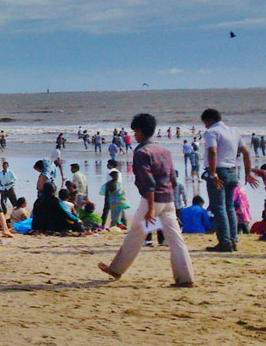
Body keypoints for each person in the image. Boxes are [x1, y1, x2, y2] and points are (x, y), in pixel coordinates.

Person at [99, 113, 195, 287]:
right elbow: (172, 179)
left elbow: (148, 182)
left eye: (135, 131)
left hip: (152, 201)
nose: (134, 135)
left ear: (141, 131)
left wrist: (150, 209)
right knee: (175, 239)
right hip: (168, 201)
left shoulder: (142, 152)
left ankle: (116, 269)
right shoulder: (164, 151)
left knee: (136, 233)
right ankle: (186, 278)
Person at [200, 108, 256, 252]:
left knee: (219, 208)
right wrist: (248, 172)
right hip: (232, 171)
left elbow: (212, 151)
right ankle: (233, 240)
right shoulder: (233, 131)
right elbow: (246, 152)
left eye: (205, 123)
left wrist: (213, 174)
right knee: (230, 207)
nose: (205, 126)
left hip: (219, 171)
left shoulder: (211, 132)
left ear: (209, 120)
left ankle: (225, 242)